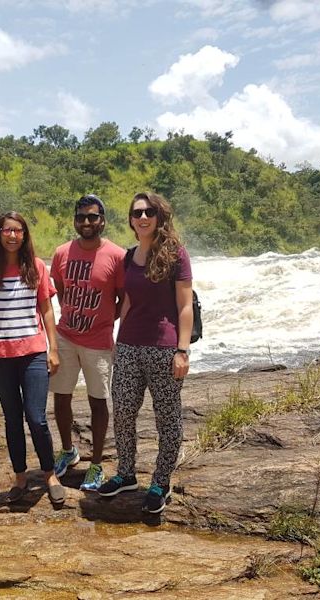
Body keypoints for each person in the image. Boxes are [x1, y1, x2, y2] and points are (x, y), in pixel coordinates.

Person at [97, 191, 193, 514]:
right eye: (137, 212)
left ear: (159, 216)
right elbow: (127, 301)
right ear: (131, 219)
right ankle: (126, 473)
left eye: (149, 211)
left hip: (164, 349)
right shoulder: (129, 256)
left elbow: (184, 306)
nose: (142, 217)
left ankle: (161, 481)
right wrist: (117, 339)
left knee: (167, 418)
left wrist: (182, 350)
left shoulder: (176, 255)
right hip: (128, 346)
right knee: (123, 410)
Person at [0, 211, 65, 505]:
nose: (12, 235)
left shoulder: (36, 267)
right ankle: (20, 477)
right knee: (12, 418)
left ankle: (50, 473)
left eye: (17, 231)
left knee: (36, 418)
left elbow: (47, 309)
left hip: (33, 353)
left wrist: (53, 348)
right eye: (6, 230)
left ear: (25, 235)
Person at [50, 194, 125, 491]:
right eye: (81, 217)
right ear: (74, 220)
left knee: (98, 400)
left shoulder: (117, 256)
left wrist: (106, 319)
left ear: (103, 220)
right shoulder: (61, 253)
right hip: (65, 336)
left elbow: (123, 298)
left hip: (98, 342)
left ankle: (96, 464)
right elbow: (60, 289)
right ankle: (69, 450)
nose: (87, 222)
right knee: (61, 395)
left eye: (93, 217)